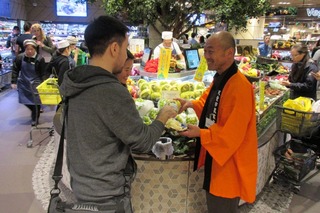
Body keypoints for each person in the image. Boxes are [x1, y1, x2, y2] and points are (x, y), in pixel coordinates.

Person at [59, 15, 177, 212]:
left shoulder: (73, 82)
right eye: (125, 47)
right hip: (108, 195)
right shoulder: (111, 91)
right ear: (114, 48)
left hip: (81, 185)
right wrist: (163, 116)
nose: (125, 54)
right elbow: (143, 141)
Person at [177, 31, 258, 213]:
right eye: (205, 51)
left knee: (222, 207)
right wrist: (190, 104)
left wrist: (200, 133)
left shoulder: (241, 87)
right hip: (217, 158)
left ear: (229, 53)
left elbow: (233, 134)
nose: (206, 57)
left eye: (211, 51)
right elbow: (208, 103)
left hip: (229, 164)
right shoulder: (221, 77)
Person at [11, 39, 46, 126]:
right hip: (24, 83)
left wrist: (44, 83)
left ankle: (35, 118)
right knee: (24, 100)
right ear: (25, 49)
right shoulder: (20, 57)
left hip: (36, 83)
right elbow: (15, 70)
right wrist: (13, 81)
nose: (30, 51)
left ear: (35, 49)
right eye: (27, 49)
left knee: (36, 102)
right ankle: (34, 111)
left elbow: (43, 73)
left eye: (32, 49)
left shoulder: (40, 59)